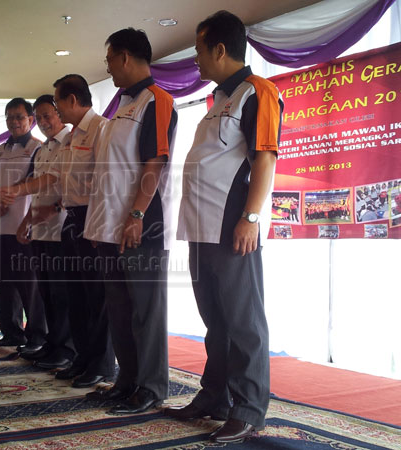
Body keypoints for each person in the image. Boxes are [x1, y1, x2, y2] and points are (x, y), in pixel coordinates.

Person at [165, 11, 283, 444]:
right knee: (215, 319)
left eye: (198, 50)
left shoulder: (259, 92)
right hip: (200, 228)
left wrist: (250, 218)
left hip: (233, 225)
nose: (195, 59)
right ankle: (215, 396)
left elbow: (264, 157)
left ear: (219, 49)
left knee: (243, 320)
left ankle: (249, 409)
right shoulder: (219, 99)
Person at [82, 28, 178, 414]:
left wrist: (136, 215)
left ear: (124, 57)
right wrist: (98, 225)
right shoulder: (120, 107)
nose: (107, 68)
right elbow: (109, 172)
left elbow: (155, 161)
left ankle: (152, 385)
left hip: (142, 225)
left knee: (145, 310)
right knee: (119, 309)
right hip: (110, 228)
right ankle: (127, 380)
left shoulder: (157, 100)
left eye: (108, 60)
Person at [1, 77, 115, 387]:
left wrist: (99, 222)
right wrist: (20, 192)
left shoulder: (101, 129)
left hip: (90, 219)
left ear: (71, 101)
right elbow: (53, 178)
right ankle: (81, 357)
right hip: (71, 224)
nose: (49, 119)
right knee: (74, 297)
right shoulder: (72, 138)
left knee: (95, 298)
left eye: (54, 108)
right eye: (39, 117)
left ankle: (101, 363)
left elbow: (107, 178)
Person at [9, 94, 75, 370]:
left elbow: (73, 184)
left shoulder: (71, 143)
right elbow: (37, 189)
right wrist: (26, 221)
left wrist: (57, 207)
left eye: (49, 115)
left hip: (62, 229)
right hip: (40, 231)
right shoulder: (44, 149)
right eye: (41, 117)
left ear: (60, 114)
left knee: (62, 294)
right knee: (46, 292)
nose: (45, 122)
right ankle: (51, 343)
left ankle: (67, 349)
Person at [0, 98, 47, 351]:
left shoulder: (37, 148)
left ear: (30, 119)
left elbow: (35, 183)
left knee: (29, 285)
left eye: (19, 117)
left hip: (24, 227)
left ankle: (36, 337)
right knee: (3, 283)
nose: (14, 122)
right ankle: (11, 333)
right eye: (9, 117)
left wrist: (6, 199)